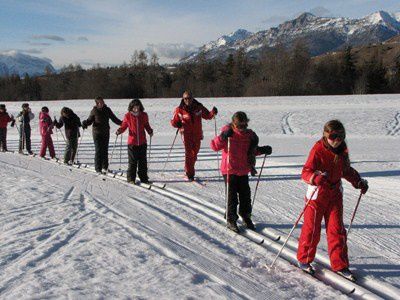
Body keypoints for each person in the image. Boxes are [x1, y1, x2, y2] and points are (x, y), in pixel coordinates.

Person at [296, 120, 368, 280]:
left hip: (335, 194)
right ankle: (304, 259)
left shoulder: (342, 151)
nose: (337, 140)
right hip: (316, 194)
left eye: (341, 136)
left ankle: (340, 264)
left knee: (337, 230)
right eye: (333, 136)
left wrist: (358, 181)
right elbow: (305, 172)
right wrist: (315, 178)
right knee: (312, 229)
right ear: (325, 135)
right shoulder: (318, 149)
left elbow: (346, 170)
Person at [210, 111, 272, 233]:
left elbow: (252, 151)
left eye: (244, 126)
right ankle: (231, 218)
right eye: (239, 126)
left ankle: (246, 216)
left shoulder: (249, 136)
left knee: (245, 195)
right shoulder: (228, 133)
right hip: (229, 170)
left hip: (243, 170)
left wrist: (263, 150)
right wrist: (222, 137)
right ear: (233, 123)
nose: (242, 128)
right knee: (232, 196)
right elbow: (214, 146)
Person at [170, 90, 218, 181]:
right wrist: (177, 124)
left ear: (192, 98)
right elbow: (173, 121)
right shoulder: (179, 109)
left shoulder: (199, 107)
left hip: (197, 134)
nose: (187, 100)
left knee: (194, 154)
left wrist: (213, 112)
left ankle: (188, 168)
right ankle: (190, 173)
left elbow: (207, 115)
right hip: (185, 134)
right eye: (185, 99)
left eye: (189, 98)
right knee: (189, 153)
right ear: (183, 99)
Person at [116, 99, 153, 184]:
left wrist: (150, 131)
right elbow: (124, 126)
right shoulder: (128, 116)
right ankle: (131, 179)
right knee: (132, 162)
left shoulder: (144, 115)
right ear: (131, 108)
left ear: (140, 107)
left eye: (138, 107)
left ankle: (144, 178)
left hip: (142, 142)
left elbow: (146, 125)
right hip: (132, 143)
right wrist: (120, 130)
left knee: (143, 162)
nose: (136, 109)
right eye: (134, 108)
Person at [82, 97, 122, 173]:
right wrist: (85, 123)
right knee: (98, 150)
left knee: (105, 150)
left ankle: (105, 167)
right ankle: (98, 168)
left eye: (102, 102)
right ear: (96, 103)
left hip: (106, 132)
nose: (101, 104)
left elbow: (114, 118)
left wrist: (122, 123)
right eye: (99, 103)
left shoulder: (107, 110)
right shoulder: (94, 110)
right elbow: (90, 121)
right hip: (97, 133)